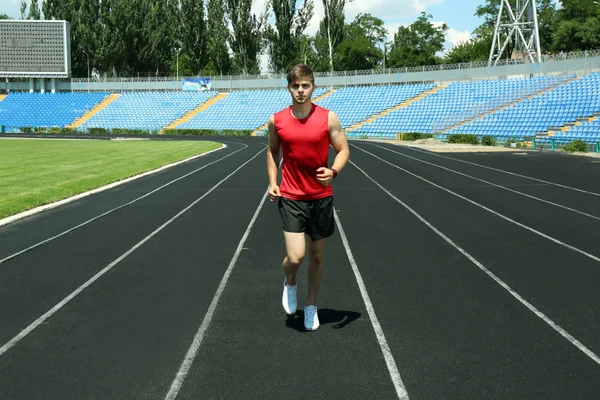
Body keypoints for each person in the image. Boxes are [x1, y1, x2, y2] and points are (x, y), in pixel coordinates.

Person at [266, 64, 349, 331]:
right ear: (288, 88)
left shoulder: (328, 118)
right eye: (295, 86)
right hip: (291, 196)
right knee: (296, 257)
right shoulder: (277, 120)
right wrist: (272, 183)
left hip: (320, 197)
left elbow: (344, 149)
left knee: (316, 257)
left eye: (305, 85)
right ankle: (290, 280)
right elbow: (272, 152)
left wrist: (333, 170)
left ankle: (311, 307)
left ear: (314, 86)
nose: (300, 91)